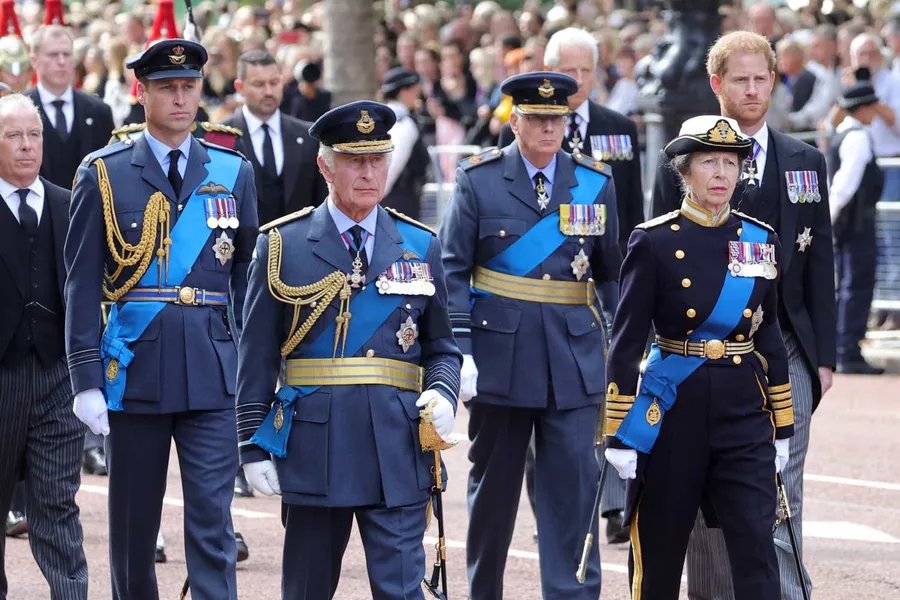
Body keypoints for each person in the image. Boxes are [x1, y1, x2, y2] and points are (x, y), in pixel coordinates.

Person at [236, 100, 461, 599]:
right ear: (325, 166)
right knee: (308, 589)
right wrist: (252, 445)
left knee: (403, 591)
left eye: (377, 159)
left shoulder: (419, 244)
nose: (368, 172)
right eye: (354, 160)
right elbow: (256, 356)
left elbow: (441, 347)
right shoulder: (282, 246)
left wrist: (444, 393)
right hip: (317, 446)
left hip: (396, 444)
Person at [64, 39, 258, 600]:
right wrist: (85, 380)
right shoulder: (104, 173)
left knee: (212, 524)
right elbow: (79, 281)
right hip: (136, 372)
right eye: (167, 88)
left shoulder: (231, 171)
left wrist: (248, 366)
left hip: (211, 369)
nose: (180, 98)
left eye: (189, 86)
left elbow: (246, 280)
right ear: (140, 92)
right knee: (133, 527)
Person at [650, 30, 835, 600]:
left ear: (774, 82)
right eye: (740, 80)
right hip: (703, 352)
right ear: (716, 84)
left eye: (762, 79)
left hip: (787, 349)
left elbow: (821, 262)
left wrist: (824, 357)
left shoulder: (805, 160)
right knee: (705, 493)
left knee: (782, 488)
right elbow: (653, 254)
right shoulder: (681, 159)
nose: (752, 90)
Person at [440, 71, 621, 599]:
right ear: (514, 121)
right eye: (537, 119)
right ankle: (484, 591)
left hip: (573, 356)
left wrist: (616, 349)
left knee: (574, 489)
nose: (549, 128)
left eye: (557, 119)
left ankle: (572, 594)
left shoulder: (595, 181)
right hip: (500, 359)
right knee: (493, 492)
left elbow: (610, 274)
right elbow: (453, 269)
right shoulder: (480, 179)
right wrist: (461, 353)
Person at [605, 114, 792, 600]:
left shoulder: (760, 239)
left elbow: (768, 333)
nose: (721, 174)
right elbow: (626, 341)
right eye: (709, 162)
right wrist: (618, 431)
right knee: (661, 551)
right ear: (684, 172)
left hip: (742, 409)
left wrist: (784, 424)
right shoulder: (655, 240)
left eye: (730, 163)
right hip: (673, 408)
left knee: (757, 549)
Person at [498, 25, 637, 543]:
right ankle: (548, 515)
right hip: (532, 298)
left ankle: (612, 507)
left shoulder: (620, 128)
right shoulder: (516, 126)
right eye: (568, 69)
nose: (577, 80)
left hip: (592, 295)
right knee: (540, 414)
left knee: (602, 403)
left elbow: (632, 221)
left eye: (585, 70)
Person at [0, 93, 88, 600]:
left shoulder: (67, 203)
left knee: (57, 501)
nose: (27, 146)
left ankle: (71, 594)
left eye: (33, 135)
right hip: (1, 376)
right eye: (13, 136)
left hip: (57, 377)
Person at [224, 49, 327, 225]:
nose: (269, 91)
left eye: (274, 82)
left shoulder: (308, 135)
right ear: (239, 88)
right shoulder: (221, 137)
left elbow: (321, 203)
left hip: (297, 247)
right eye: (259, 84)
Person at [828, 82, 885, 374]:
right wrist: (830, 218)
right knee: (857, 285)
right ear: (863, 107)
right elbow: (844, 186)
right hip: (856, 224)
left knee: (848, 284)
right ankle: (847, 349)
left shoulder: (842, 135)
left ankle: (843, 346)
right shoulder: (858, 138)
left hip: (847, 223)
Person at [25, 25, 114, 189]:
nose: (61, 61)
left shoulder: (98, 111)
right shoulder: (19, 111)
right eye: (53, 55)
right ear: (34, 60)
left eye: (66, 54)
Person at [381, 67, 430, 220]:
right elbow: (392, 166)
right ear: (403, 92)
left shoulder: (383, 117)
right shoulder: (403, 123)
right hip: (399, 202)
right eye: (415, 91)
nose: (417, 97)